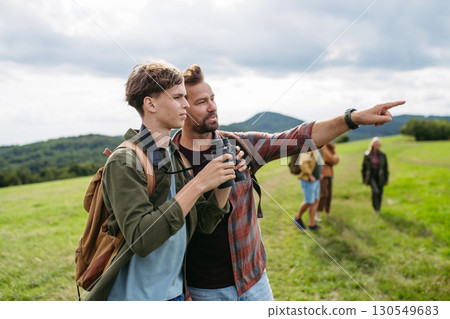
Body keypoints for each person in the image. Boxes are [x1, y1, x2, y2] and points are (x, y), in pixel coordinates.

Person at [172, 64, 404, 301]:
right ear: (181, 107)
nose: (212, 107)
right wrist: (185, 292)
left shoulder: (240, 146)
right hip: (204, 291)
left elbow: (297, 138)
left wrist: (351, 118)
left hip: (254, 282)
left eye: (212, 98)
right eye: (202, 102)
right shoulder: (167, 162)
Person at [85, 61, 240, 301]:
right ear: (150, 103)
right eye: (178, 97)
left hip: (174, 294)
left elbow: (203, 225)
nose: (186, 104)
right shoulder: (124, 160)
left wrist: (223, 179)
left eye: (185, 97)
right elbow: (142, 239)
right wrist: (199, 183)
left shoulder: (171, 154)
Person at [294, 150, 322, 230]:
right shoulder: (307, 147)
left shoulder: (317, 148)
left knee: (315, 201)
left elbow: (318, 162)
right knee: (309, 201)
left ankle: (312, 225)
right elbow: (303, 164)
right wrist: (310, 175)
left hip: (316, 179)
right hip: (308, 180)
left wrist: (320, 174)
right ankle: (297, 218)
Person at [362, 137, 389, 214]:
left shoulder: (383, 155)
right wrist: (364, 178)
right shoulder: (367, 155)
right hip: (371, 175)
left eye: (378, 144)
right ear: (372, 145)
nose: (377, 146)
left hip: (380, 175)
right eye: (375, 144)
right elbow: (364, 167)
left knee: (380, 192)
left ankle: (378, 207)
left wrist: (386, 179)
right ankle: (375, 208)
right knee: (375, 191)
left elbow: (385, 168)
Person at [317, 141, 339, 218]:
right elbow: (330, 158)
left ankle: (327, 212)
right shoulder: (323, 146)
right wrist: (333, 157)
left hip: (330, 174)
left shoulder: (331, 147)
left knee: (329, 195)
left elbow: (336, 160)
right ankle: (317, 212)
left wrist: (333, 152)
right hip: (323, 174)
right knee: (324, 194)